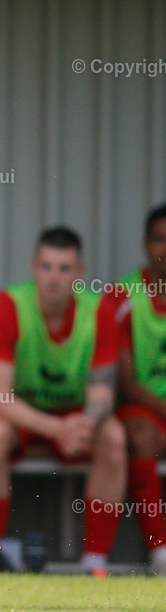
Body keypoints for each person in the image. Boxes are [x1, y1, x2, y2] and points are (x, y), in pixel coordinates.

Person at [0, 227, 126, 576]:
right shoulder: (7, 305)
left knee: (113, 438)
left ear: (80, 270)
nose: (54, 277)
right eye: (47, 266)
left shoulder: (99, 310)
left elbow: (102, 394)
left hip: (67, 413)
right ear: (34, 265)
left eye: (64, 268)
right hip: (2, 406)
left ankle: (95, 565)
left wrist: (86, 424)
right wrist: (57, 428)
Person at [115, 202, 166, 575]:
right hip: (145, 409)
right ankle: (161, 555)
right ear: (146, 245)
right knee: (142, 436)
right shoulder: (124, 297)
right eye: (159, 239)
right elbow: (126, 382)